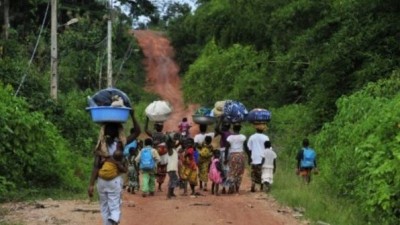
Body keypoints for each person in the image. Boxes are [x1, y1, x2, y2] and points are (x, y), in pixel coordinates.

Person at [88, 110, 141, 225]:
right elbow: (137, 132)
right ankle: (114, 219)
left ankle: (110, 221)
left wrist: (91, 184)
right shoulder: (121, 144)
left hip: (101, 181)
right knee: (114, 205)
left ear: (103, 132)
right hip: (114, 181)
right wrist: (132, 115)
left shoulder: (100, 147)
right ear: (118, 132)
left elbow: (96, 166)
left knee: (104, 207)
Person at [144, 117, 168, 192]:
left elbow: (146, 130)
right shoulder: (164, 135)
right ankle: (159, 186)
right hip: (163, 156)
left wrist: (147, 120)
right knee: (162, 171)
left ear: (155, 127)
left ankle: (152, 185)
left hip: (155, 156)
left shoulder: (154, 134)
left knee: (154, 171)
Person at [246, 122, 270, 192]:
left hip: (254, 158)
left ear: (256, 129)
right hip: (263, 159)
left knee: (253, 172)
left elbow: (249, 149)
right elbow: (269, 149)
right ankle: (261, 187)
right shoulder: (266, 137)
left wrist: (249, 157)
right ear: (263, 130)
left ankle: (253, 184)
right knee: (262, 173)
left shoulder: (252, 137)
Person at [225, 123, 246, 194]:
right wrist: (250, 157)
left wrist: (225, 158)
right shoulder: (243, 137)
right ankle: (237, 188)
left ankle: (231, 187)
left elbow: (226, 148)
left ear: (233, 129)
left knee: (232, 172)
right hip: (241, 156)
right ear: (240, 129)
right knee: (239, 172)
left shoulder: (230, 138)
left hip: (232, 156)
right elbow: (246, 148)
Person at [214, 117, 232, 194]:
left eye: (223, 126)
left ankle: (224, 187)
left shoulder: (224, 133)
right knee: (229, 170)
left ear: (224, 126)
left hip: (224, 152)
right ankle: (230, 187)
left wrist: (220, 120)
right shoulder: (231, 134)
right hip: (230, 152)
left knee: (223, 170)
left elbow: (216, 129)